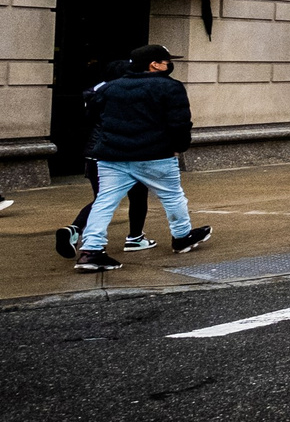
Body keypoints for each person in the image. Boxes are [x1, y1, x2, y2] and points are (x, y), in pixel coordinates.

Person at [72, 44, 211, 271]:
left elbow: (94, 116)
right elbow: (180, 122)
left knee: (104, 202)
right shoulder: (170, 87)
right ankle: (182, 237)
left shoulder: (110, 88)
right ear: (154, 64)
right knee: (172, 196)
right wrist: (179, 147)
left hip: (112, 156)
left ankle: (91, 251)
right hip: (155, 154)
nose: (169, 65)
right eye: (166, 62)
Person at [55, 56, 151, 258]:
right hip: (120, 154)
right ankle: (134, 237)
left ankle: (74, 229)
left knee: (102, 199)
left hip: (94, 154)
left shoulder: (96, 93)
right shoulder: (123, 95)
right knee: (137, 194)